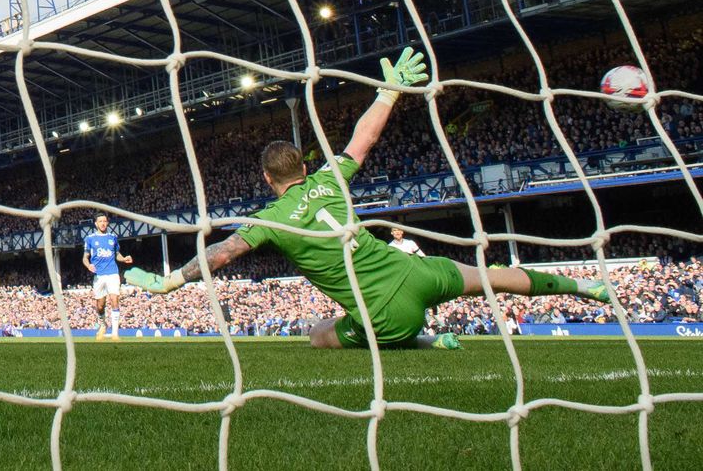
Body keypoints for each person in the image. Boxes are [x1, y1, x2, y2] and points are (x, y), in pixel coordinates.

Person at [126, 48, 610, 350]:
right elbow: (364, 139)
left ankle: (423, 342)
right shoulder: (330, 179)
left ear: (267, 177)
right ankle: (582, 287)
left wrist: (172, 282)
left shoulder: (270, 219)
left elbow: (223, 252)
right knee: (495, 277)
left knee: (318, 336)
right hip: (416, 273)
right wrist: (389, 91)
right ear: (303, 165)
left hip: (383, 311)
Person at [82, 212, 132, 341]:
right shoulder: (90, 239)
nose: (103, 223)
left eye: (105, 221)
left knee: (114, 300)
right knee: (100, 305)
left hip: (112, 273)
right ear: (96, 223)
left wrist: (124, 258)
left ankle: (115, 333)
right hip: (99, 275)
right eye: (100, 221)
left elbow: (117, 254)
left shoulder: (112, 237)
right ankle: (103, 324)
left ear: (107, 223)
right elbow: (85, 258)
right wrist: (88, 266)